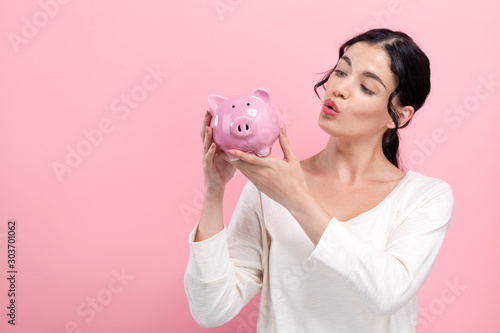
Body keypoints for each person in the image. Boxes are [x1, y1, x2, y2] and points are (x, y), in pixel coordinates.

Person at [184, 28, 454, 333]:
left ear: (398, 117)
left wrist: (296, 199)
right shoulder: (270, 186)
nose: (339, 89)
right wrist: (214, 190)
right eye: (341, 72)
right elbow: (211, 310)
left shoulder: (424, 197)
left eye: (366, 87)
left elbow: (388, 293)